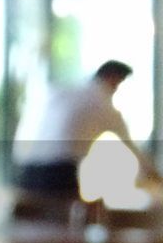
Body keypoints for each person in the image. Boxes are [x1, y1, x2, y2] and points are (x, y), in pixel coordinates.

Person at [13, 60, 161, 196]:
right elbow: (135, 152)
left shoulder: (63, 91)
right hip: (58, 175)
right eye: (119, 83)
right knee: (68, 221)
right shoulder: (104, 105)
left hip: (24, 172)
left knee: (32, 221)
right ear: (112, 78)